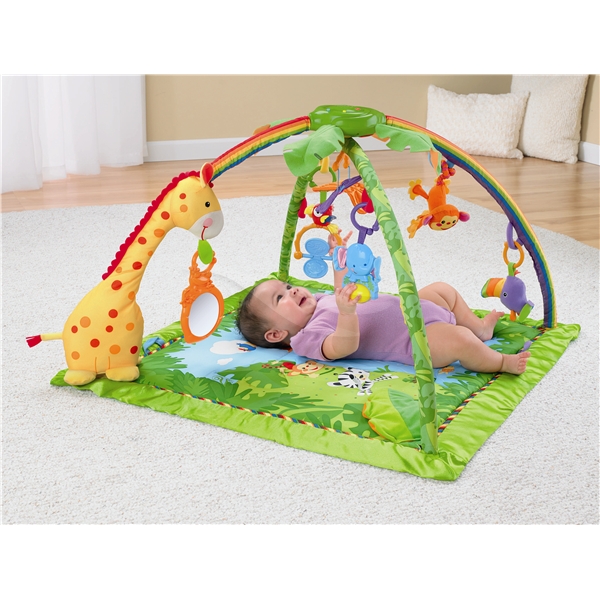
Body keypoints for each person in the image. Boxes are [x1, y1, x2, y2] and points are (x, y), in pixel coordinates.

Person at [236, 233, 530, 375]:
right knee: (461, 340)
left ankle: (480, 329)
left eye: (288, 287)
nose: (292, 291)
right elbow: (342, 346)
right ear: (276, 334)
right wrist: (347, 313)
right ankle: (499, 362)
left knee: (443, 290)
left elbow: (343, 288)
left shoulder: (323, 300)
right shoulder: (306, 338)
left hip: (414, 308)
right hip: (416, 339)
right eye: (280, 298)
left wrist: (340, 255)